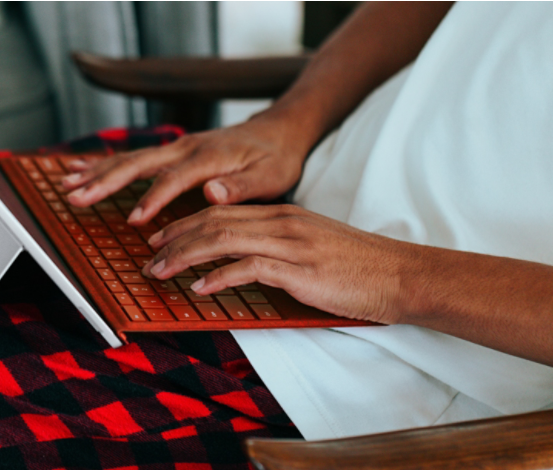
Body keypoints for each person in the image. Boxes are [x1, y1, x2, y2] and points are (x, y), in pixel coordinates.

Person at [60, 1, 553, 439]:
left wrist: (392, 275)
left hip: (395, 376)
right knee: (42, 220)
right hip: (290, 214)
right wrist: (289, 123)